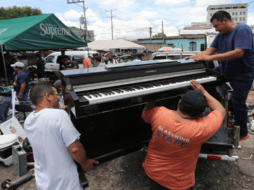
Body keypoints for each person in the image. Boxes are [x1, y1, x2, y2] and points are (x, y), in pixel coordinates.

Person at [142, 80, 226, 190]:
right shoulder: (201, 129)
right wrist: (202, 91)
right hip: (179, 183)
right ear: (201, 114)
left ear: (179, 103)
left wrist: (151, 99)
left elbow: (145, 115)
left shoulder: (159, 113)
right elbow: (221, 110)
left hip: (153, 173)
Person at [186, 11, 254, 141]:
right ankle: (219, 98)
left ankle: (243, 133)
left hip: (242, 73)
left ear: (225, 20)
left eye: (217, 26)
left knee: (237, 102)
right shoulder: (221, 34)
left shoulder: (243, 29)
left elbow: (239, 52)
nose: (216, 29)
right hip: (225, 68)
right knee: (204, 82)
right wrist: (196, 56)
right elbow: (209, 51)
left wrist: (210, 57)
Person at [24, 81, 99, 190]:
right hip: (65, 183)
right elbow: (75, 149)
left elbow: (46, 125)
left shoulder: (28, 120)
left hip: (43, 182)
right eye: (56, 95)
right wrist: (85, 163)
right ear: (48, 96)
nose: (59, 99)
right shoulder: (59, 116)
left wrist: (59, 111)